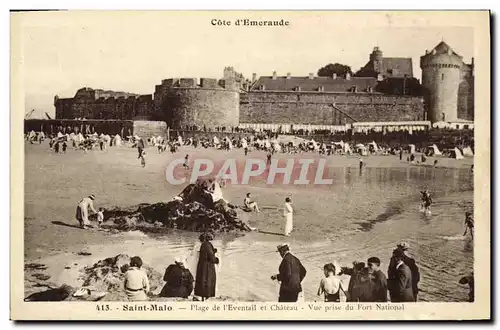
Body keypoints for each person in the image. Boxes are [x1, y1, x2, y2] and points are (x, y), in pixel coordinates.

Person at [194, 232, 219, 301]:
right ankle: (205, 296)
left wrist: (213, 251)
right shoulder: (207, 244)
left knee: (202, 279)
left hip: (202, 265)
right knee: (207, 280)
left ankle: (202, 296)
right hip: (207, 266)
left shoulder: (203, 244)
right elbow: (211, 256)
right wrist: (216, 260)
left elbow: (206, 253)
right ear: (208, 238)